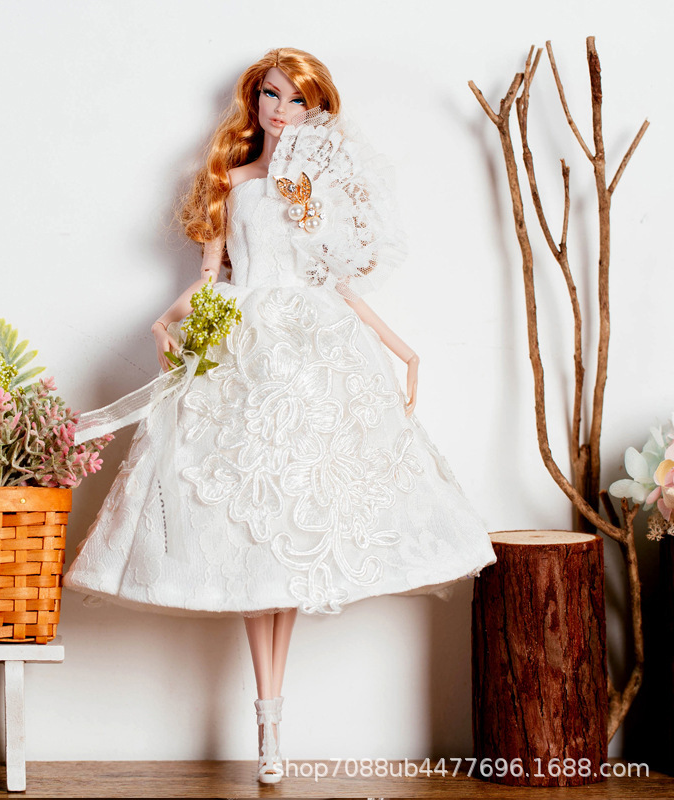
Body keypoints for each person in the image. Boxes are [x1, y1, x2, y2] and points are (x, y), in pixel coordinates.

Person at [63, 47, 496, 784]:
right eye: (271, 95)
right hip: (243, 347)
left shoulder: (311, 187)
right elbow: (211, 279)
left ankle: (272, 728)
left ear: (316, 112)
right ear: (252, 98)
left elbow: (336, 283)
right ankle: (268, 730)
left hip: (309, 347)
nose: (281, 111)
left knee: (292, 518)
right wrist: (167, 324)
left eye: (298, 101)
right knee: (244, 520)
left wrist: (402, 349)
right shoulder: (229, 184)